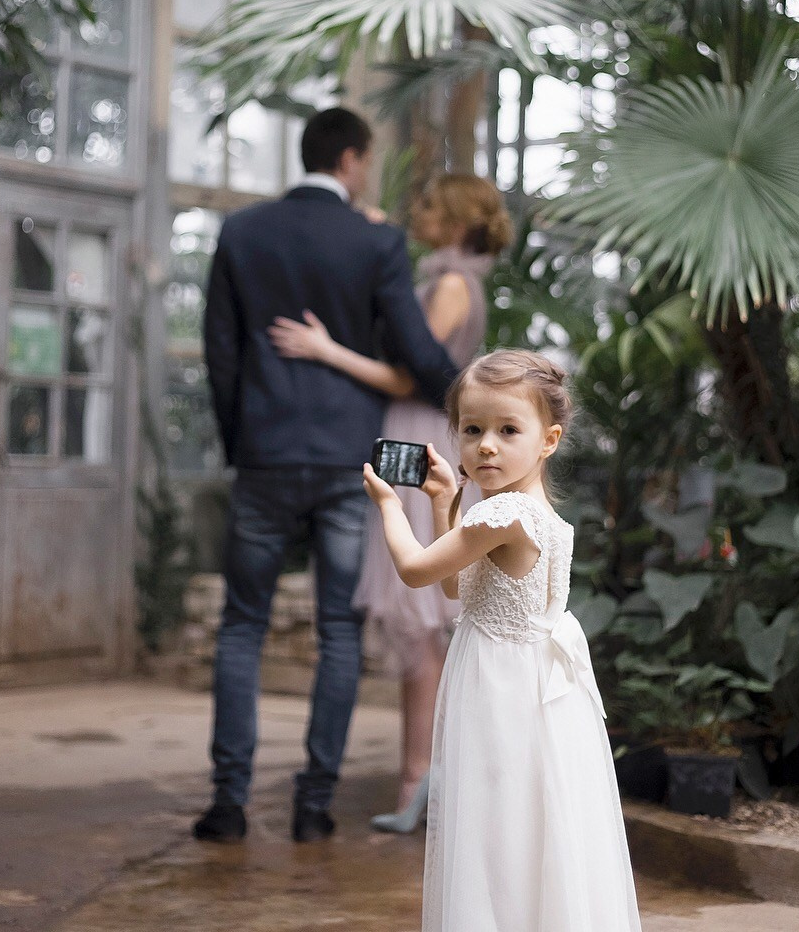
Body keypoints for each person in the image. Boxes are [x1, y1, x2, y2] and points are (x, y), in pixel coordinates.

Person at [195, 107, 459, 845]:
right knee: (338, 631)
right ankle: (313, 808)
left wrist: (242, 440)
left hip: (265, 454)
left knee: (241, 625)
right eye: (366, 162)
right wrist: (467, 397)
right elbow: (415, 348)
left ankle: (228, 804)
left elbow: (221, 353)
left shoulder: (242, 231)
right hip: (349, 459)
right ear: (349, 160)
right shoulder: (375, 241)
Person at [363, 349, 642, 931]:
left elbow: (416, 571)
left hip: (501, 689)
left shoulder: (506, 514)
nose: (486, 446)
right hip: (527, 685)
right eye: (472, 430)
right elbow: (457, 589)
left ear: (548, 440)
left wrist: (390, 505)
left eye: (508, 430)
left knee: (493, 825)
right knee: (524, 824)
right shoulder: (529, 511)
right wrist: (443, 501)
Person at [267, 174, 512, 831]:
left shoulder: (453, 284)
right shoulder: (447, 278)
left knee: (420, 620)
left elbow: (408, 374)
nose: (417, 211)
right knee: (420, 624)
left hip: (419, 434)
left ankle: (418, 781)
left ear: (456, 220)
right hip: (414, 433)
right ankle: (428, 778)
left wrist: (325, 350)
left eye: (429, 204)